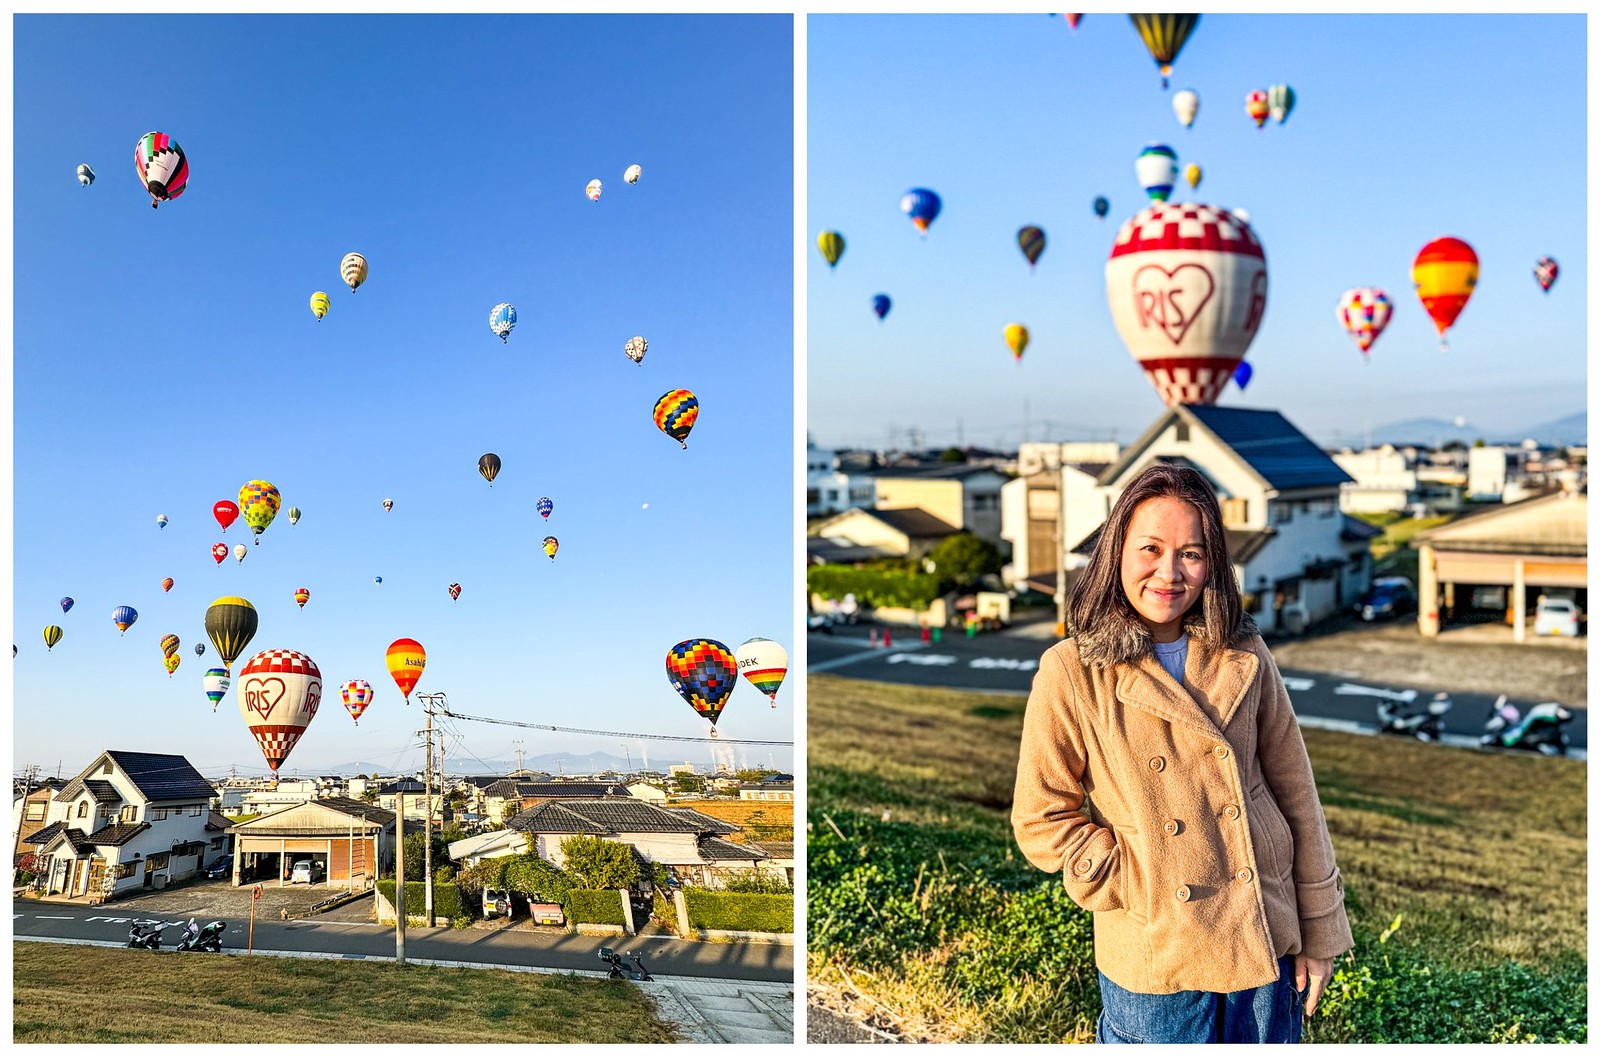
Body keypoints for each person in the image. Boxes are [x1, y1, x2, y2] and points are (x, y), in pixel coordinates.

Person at [1011, 463, 1352, 1044]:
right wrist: (1134, 877)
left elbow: (1297, 792)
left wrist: (1320, 929)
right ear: (1116, 551)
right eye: (1150, 548)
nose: (1168, 573)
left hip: (1264, 929)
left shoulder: (1244, 652)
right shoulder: (1070, 672)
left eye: (1191, 553)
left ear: (1213, 562)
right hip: (1155, 948)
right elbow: (1040, 819)